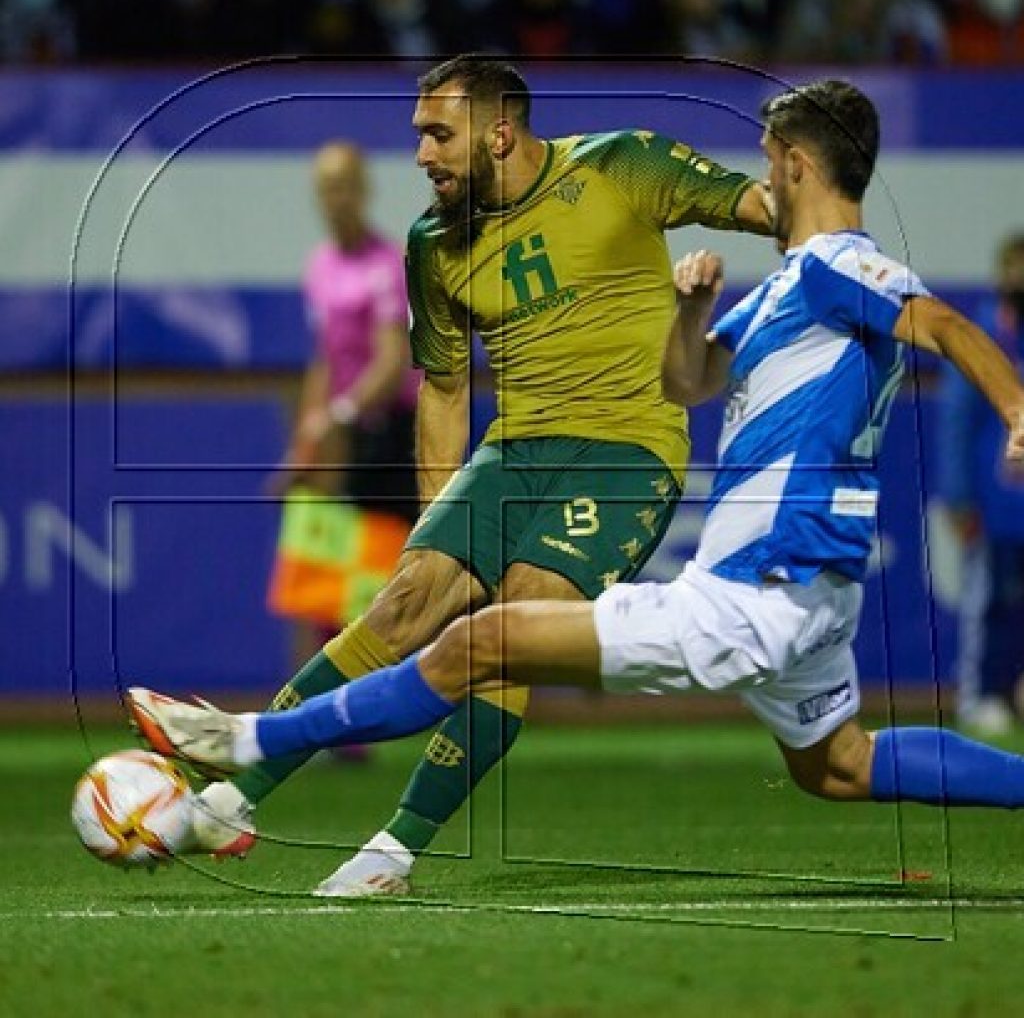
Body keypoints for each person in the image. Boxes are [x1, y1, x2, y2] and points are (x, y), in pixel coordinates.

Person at [130, 80, 1024, 842]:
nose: (421, 155)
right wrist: (692, 306)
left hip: (731, 565)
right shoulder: (779, 293)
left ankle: (271, 758)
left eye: (765, 158)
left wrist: (1018, 411)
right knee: (838, 765)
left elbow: (934, 318)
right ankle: (249, 788)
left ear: (792, 162)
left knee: (488, 637)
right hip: (778, 582)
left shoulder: (817, 257)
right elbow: (687, 377)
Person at [174, 54, 775, 892]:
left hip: (627, 452)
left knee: (517, 622)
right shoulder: (432, 243)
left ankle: (395, 848)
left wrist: (828, 235)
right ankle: (234, 798)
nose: (420, 154)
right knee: (406, 599)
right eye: (418, 134)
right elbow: (446, 389)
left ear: (499, 131)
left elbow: (764, 207)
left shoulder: (620, 164)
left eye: (437, 134)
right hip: (513, 450)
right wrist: (435, 526)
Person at [268, 142, 418, 761]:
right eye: (325, 188)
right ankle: (328, 721)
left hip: (391, 435)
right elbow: (325, 360)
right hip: (342, 434)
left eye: (345, 186)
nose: (336, 199)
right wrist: (309, 433)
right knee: (325, 578)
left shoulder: (388, 266)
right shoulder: (319, 267)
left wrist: (340, 415)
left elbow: (393, 359)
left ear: (364, 190)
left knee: (403, 579)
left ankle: (447, 702)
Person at [940, 233, 1024, 734]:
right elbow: (957, 421)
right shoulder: (984, 335)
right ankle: (982, 693)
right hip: (996, 504)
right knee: (990, 600)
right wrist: (959, 497)